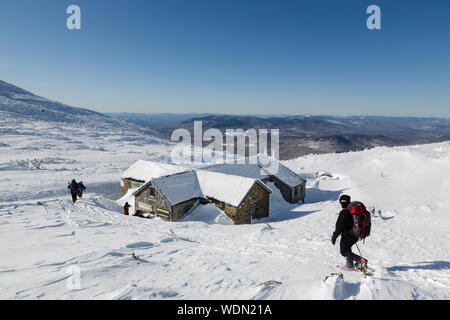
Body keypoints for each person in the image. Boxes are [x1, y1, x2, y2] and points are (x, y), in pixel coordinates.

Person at [331, 194, 368, 270]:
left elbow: (339, 226)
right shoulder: (352, 211)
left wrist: (335, 235)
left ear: (341, 203)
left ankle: (355, 263)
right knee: (347, 249)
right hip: (356, 234)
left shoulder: (344, 212)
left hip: (349, 235)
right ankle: (354, 263)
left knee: (344, 251)